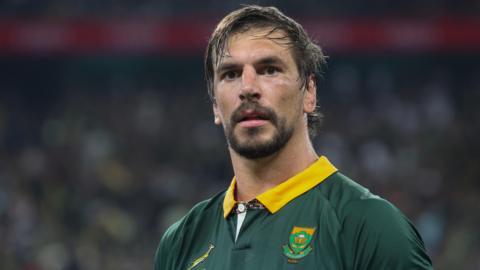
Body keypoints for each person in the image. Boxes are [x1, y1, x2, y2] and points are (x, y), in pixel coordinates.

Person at [154, 5, 433, 270]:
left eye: (269, 69)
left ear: (309, 92)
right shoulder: (181, 241)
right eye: (231, 74)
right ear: (215, 104)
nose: (248, 87)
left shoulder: (371, 227)